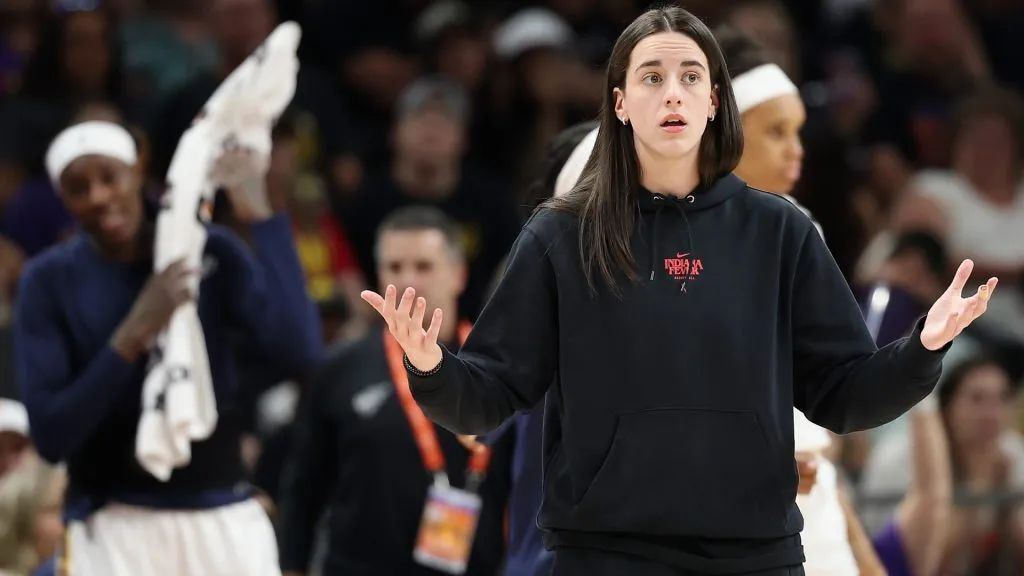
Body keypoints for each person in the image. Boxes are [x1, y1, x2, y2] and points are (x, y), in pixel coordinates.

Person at [361, 6, 998, 575]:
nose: (673, 93)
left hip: (755, 555)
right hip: (602, 556)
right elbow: (492, 395)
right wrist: (432, 365)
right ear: (619, 103)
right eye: (652, 77)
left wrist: (923, 346)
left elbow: (844, 395)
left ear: (716, 101)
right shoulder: (562, 234)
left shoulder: (781, 231)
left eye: (692, 76)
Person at [13, 119, 321, 575]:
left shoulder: (209, 249)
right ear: (63, 200)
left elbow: (302, 352)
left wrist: (267, 220)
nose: (98, 196)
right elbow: (52, 435)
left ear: (138, 170)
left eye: (108, 177)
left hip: (221, 512)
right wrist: (135, 332)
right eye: (79, 188)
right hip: (113, 519)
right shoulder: (49, 280)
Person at [716, 26, 884, 576]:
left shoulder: (799, 227)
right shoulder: (674, 241)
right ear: (724, 136)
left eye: (799, 131)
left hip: (814, 502)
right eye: (776, 132)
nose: (797, 150)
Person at [278, 205, 512, 576]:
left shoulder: (499, 366)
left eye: (423, 266)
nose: (407, 281)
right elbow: (304, 485)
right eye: (394, 268)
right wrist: (292, 566)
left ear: (458, 274)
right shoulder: (340, 368)